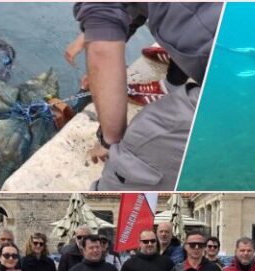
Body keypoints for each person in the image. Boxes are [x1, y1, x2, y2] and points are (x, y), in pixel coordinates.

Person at [74, 3, 221, 190]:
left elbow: (102, 59)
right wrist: (107, 28)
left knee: (140, 152)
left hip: (247, 87)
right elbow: (132, 9)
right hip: (238, 40)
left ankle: (102, 207)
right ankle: (179, 54)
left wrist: (108, 142)